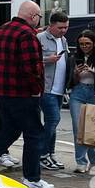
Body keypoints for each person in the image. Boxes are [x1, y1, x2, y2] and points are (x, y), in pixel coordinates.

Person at [0, 1, 53, 188]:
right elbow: (32, 68)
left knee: (10, 130)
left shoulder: (0, 31)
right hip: (22, 94)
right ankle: (32, 178)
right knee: (35, 134)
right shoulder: (27, 35)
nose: (39, 20)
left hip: (1, 92)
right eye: (39, 16)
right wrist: (36, 89)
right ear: (33, 16)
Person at [36, 12, 71, 172]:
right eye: (60, 28)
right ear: (51, 26)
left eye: (66, 27)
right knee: (53, 119)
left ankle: (50, 153)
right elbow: (31, 59)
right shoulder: (40, 38)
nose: (63, 30)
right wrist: (46, 60)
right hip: (46, 87)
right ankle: (42, 154)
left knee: (53, 122)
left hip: (59, 88)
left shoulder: (63, 40)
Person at [69, 28, 95, 173]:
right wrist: (76, 73)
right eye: (81, 44)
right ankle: (81, 161)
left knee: (92, 127)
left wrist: (94, 72)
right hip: (78, 91)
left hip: (94, 92)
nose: (84, 47)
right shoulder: (74, 58)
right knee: (78, 127)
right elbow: (71, 81)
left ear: (94, 43)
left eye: (87, 43)